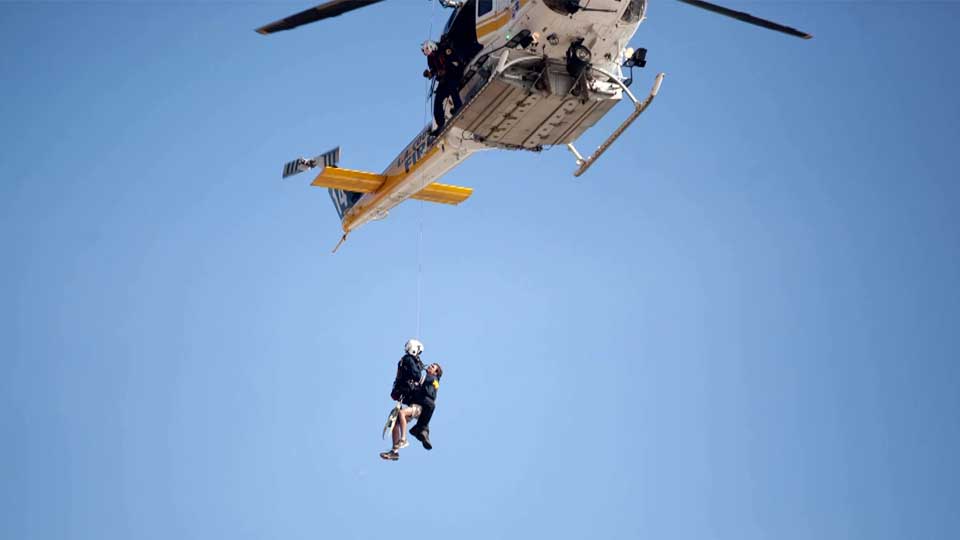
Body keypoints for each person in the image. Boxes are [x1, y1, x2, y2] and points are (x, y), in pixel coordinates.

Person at [381, 363, 443, 461]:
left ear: (436, 372)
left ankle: (403, 439)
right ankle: (394, 452)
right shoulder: (424, 379)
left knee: (402, 413)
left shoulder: (433, 379)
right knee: (395, 422)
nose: (430, 366)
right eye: (430, 365)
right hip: (414, 405)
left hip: (420, 407)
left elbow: (429, 390)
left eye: (433, 367)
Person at [422, 39, 464, 136]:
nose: (430, 55)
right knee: (438, 99)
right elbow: (434, 70)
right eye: (428, 54)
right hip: (444, 79)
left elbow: (455, 61)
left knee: (451, 84)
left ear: (433, 47)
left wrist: (446, 70)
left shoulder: (445, 49)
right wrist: (430, 74)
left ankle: (458, 107)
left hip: (455, 73)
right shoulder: (430, 58)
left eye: (430, 52)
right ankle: (440, 124)